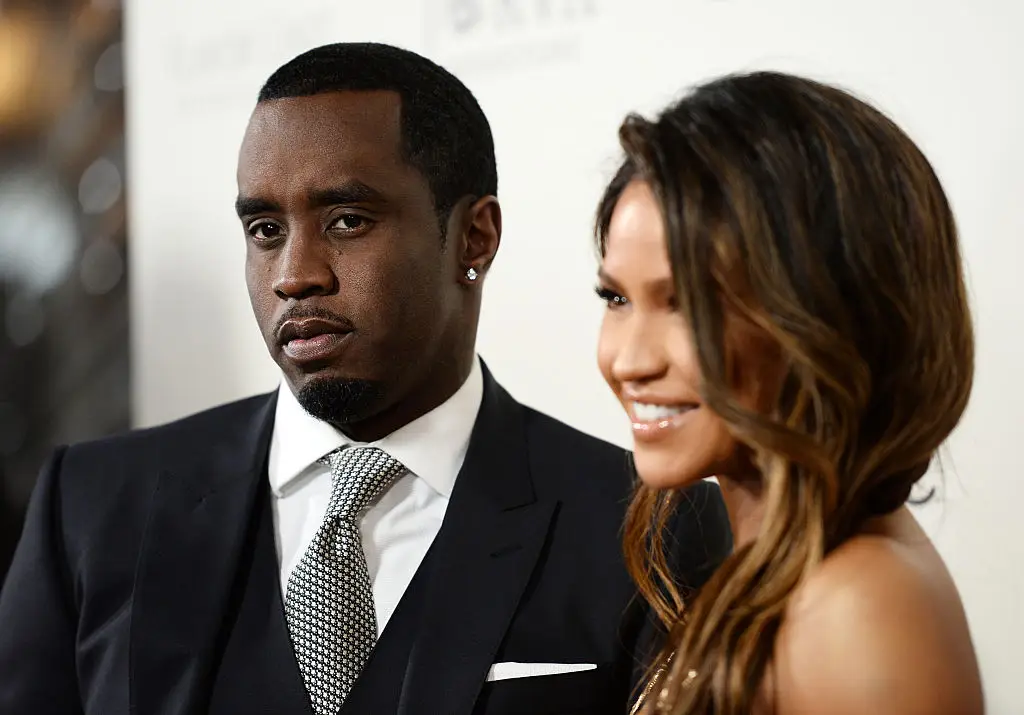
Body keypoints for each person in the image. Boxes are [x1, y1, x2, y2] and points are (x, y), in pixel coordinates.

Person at [0, 43, 732, 715]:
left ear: (474, 236)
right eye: (265, 230)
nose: (295, 275)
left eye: (347, 220)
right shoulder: (92, 509)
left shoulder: (657, 532)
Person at [595, 71, 984, 715]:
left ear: (830, 310)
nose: (629, 360)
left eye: (688, 304)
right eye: (616, 298)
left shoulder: (858, 609)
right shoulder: (787, 573)